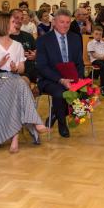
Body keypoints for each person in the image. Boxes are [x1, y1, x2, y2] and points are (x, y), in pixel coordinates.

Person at [0, 13, 48, 153]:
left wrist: (15, 68)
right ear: (3, 24)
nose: (15, 24)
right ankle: (34, 123)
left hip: (13, 77)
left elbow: (22, 68)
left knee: (19, 84)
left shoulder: (17, 45)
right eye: (12, 22)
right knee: (20, 85)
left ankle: (15, 139)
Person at [35, 8, 84, 138]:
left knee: (89, 93)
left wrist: (79, 79)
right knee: (60, 93)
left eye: (68, 22)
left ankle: (55, 113)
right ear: (54, 22)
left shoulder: (75, 38)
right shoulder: (43, 40)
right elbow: (42, 67)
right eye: (62, 22)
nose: (65, 25)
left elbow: (79, 62)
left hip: (72, 77)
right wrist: (61, 80)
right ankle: (62, 124)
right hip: (50, 79)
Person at [9, 9, 38, 84]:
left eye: (21, 18)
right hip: (16, 70)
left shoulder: (28, 36)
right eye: (16, 18)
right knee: (24, 81)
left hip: (32, 68)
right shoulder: (6, 37)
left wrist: (35, 55)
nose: (19, 21)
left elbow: (36, 51)